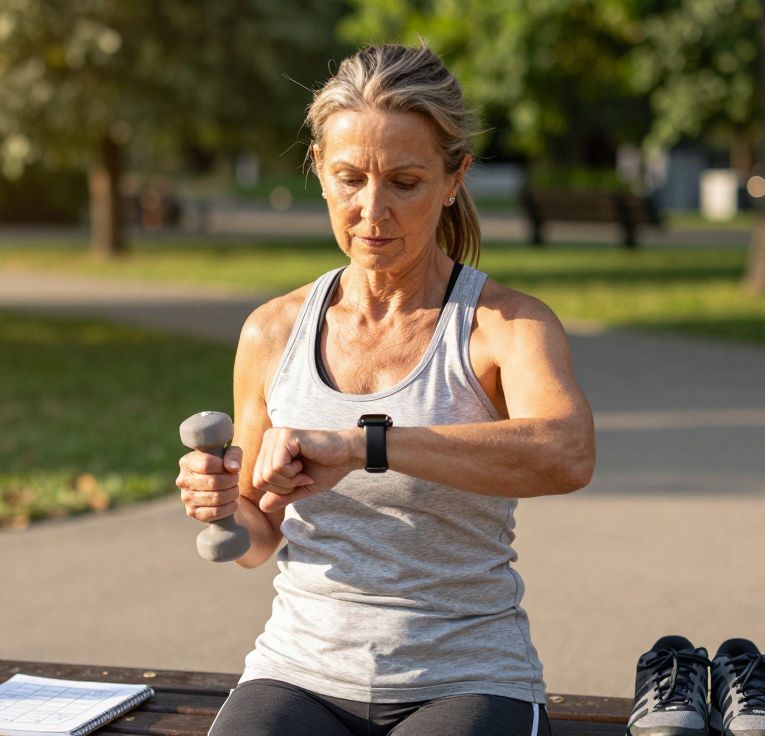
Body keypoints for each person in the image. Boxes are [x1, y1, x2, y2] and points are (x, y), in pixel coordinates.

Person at [175, 43, 595, 736]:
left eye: (404, 182)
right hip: (299, 670)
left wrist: (365, 445)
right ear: (318, 171)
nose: (373, 211)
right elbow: (260, 530)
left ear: (453, 177)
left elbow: (568, 453)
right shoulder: (271, 333)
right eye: (349, 179)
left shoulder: (504, 326)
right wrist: (224, 505)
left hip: (466, 677)